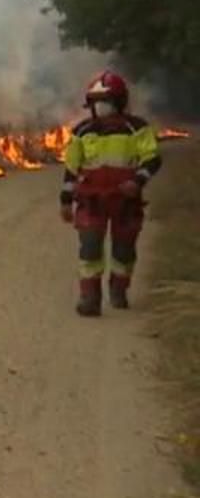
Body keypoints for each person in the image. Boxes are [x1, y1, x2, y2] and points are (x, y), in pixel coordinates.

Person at [60, 69, 161, 315]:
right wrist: (65, 201)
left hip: (125, 201)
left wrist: (138, 181)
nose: (101, 106)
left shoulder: (136, 128)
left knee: (123, 250)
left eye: (105, 101)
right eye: (96, 102)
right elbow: (71, 169)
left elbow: (153, 160)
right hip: (92, 200)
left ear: (118, 101)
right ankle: (90, 298)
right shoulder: (82, 132)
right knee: (90, 247)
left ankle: (119, 288)